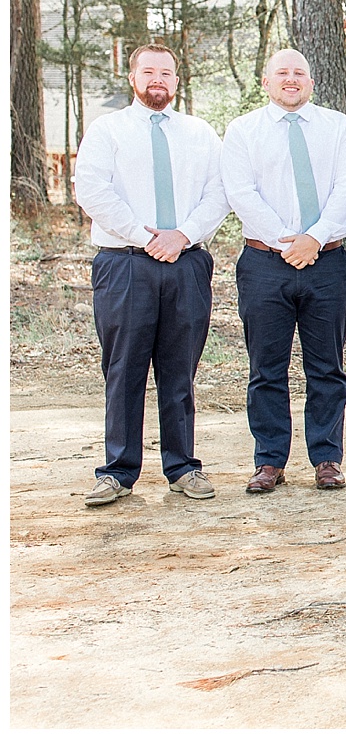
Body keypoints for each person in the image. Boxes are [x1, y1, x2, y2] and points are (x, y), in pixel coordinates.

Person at [73, 43, 230, 506]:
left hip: (187, 261)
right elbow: (93, 190)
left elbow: (219, 192)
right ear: (133, 77)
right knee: (124, 368)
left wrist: (181, 236)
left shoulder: (200, 133)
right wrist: (147, 238)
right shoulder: (108, 130)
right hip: (124, 263)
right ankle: (117, 471)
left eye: (166, 72)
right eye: (149, 72)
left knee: (179, 368)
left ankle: (182, 467)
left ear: (177, 81)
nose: (157, 79)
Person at [222, 48, 346, 492]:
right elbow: (240, 192)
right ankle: (269, 461)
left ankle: (326, 458)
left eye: (298, 72)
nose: (290, 79)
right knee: (266, 368)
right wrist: (288, 242)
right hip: (265, 263)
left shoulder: (337, 127)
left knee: (327, 367)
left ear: (311, 81)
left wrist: (313, 239)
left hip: (327, 262)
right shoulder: (243, 131)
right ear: (265, 81)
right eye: (281, 72)